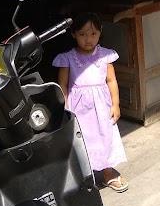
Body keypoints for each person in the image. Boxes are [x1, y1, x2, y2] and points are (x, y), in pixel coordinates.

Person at [54, 11, 128, 192]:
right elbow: (62, 84)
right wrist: (64, 108)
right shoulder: (67, 58)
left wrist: (116, 104)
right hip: (78, 109)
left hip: (102, 107)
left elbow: (111, 81)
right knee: (81, 141)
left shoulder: (105, 56)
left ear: (100, 33)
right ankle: (84, 177)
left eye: (93, 34)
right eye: (83, 34)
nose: (88, 39)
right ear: (73, 34)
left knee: (105, 138)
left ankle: (107, 173)